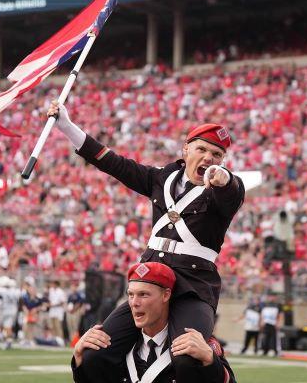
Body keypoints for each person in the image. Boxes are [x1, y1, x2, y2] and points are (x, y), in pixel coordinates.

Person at [49, 101, 245, 383]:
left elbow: (232, 193)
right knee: (93, 353)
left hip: (193, 285)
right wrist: (66, 126)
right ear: (186, 150)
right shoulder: (161, 178)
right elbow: (112, 162)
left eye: (216, 154)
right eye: (201, 149)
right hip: (149, 281)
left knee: (189, 358)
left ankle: (216, 355)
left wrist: (224, 178)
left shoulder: (221, 189)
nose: (208, 158)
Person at [72, 262, 236, 383]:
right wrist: (80, 359)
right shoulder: (117, 347)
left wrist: (210, 360)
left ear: (166, 295)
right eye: (130, 295)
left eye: (143, 295)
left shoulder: (195, 344)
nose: (134, 303)